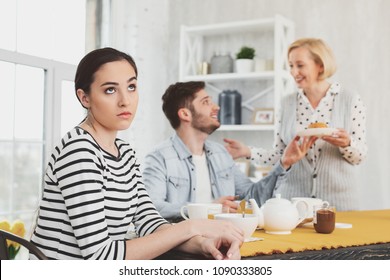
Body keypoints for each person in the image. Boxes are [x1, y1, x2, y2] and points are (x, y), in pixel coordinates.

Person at [30, 47, 246, 260]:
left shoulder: (124, 153)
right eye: (110, 90)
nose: (125, 100)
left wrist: (202, 244)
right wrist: (192, 227)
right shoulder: (79, 151)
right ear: (85, 98)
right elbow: (100, 257)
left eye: (131, 87)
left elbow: (148, 221)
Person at [224, 38, 367, 211]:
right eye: (291, 66)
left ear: (320, 65)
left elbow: (359, 156)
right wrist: (248, 151)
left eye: (300, 65)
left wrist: (347, 144)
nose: (293, 72)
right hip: (294, 205)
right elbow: (281, 155)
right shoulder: (287, 104)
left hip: (339, 204)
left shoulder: (349, 99)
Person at [142, 81, 316, 220]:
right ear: (185, 114)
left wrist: (284, 163)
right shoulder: (159, 157)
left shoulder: (220, 154)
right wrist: (210, 209)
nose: (216, 107)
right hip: (185, 244)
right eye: (206, 102)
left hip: (226, 237)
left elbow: (252, 197)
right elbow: (151, 207)